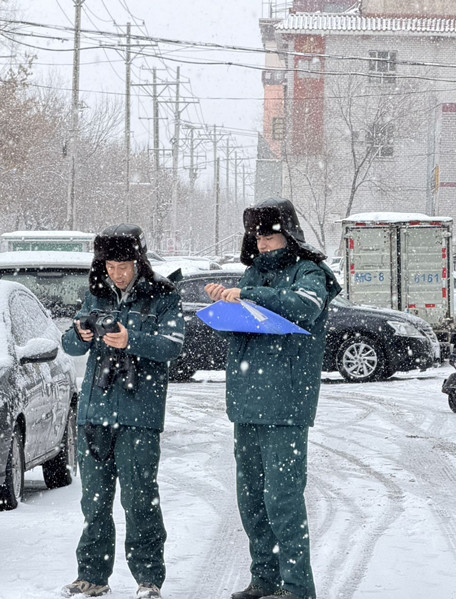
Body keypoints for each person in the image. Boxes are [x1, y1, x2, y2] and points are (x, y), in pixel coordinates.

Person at [205, 198, 341, 599]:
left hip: (286, 405)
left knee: (282, 500)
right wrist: (225, 308)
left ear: (289, 233)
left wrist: (249, 296)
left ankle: (298, 588)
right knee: (251, 501)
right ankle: (264, 580)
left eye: (270, 235)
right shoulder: (252, 274)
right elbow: (246, 330)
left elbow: (304, 308)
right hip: (246, 404)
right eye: (257, 236)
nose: (263, 244)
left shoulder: (310, 272)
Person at [61, 224, 184, 599]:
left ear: (139, 261)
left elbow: (172, 346)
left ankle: (148, 579)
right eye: (111, 265)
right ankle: (92, 575)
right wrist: (80, 334)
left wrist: (134, 340)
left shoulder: (162, 295)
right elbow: (70, 345)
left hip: (139, 415)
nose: (117, 273)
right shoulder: (95, 295)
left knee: (139, 499)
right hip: (95, 414)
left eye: (124, 265)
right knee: (94, 501)